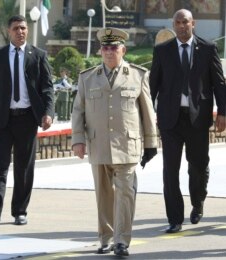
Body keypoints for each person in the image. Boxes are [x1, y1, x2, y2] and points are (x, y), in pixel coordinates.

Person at [71, 27, 158, 256]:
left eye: (114, 48)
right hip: (98, 145)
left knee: (125, 194)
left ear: (123, 50)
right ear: (100, 51)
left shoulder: (138, 75)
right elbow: (78, 111)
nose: (109, 52)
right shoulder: (87, 78)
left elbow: (148, 112)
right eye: (106, 48)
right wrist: (77, 140)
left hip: (127, 146)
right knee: (103, 194)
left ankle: (121, 240)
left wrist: (151, 143)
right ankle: (106, 238)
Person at [150, 9, 226, 233]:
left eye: (186, 22)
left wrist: (223, 111)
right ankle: (174, 218)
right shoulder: (162, 50)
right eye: (178, 22)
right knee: (170, 170)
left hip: (198, 118)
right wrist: (145, 116)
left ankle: (198, 201)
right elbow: (152, 85)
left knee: (198, 165)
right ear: (173, 25)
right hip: (170, 120)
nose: (182, 26)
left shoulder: (208, 48)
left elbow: (219, 83)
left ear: (194, 23)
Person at [0, 15, 54, 228]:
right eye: (16, 29)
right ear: (8, 31)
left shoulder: (38, 56)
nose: (20, 32)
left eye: (23, 28)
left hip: (27, 120)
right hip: (1, 120)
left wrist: (48, 113)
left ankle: (19, 211)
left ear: (27, 30)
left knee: (24, 168)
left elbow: (47, 88)